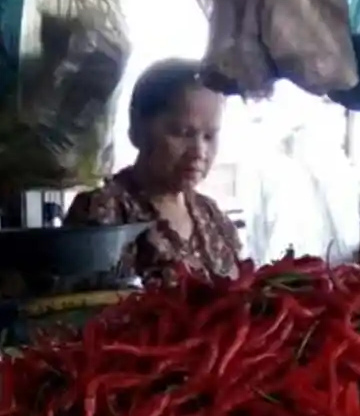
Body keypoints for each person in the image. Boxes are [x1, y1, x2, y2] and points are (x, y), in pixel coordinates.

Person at [65, 58, 242, 282]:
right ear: (138, 128)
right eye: (182, 132)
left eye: (209, 136)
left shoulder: (213, 218)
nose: (199, 151)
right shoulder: (103, 212)